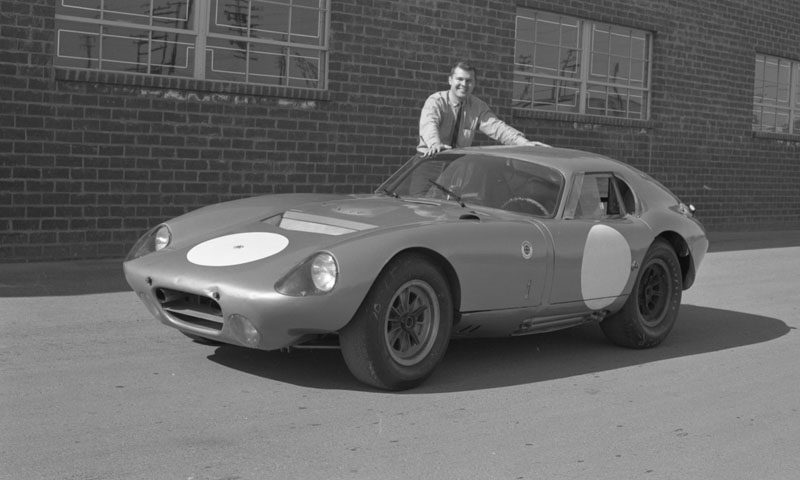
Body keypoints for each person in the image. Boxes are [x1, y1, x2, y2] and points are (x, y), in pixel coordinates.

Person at [417, 61, 548, 158]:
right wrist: (435, 144)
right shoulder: (436, 101)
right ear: (450, 80)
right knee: (418, 195)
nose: (464, 84)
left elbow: (498, 128)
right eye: (460, 79)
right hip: (430, 158)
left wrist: (524, 143)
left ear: (474, 83)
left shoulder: (477, 107)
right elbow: (429, 123)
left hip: (455, 164)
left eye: (468, 81)